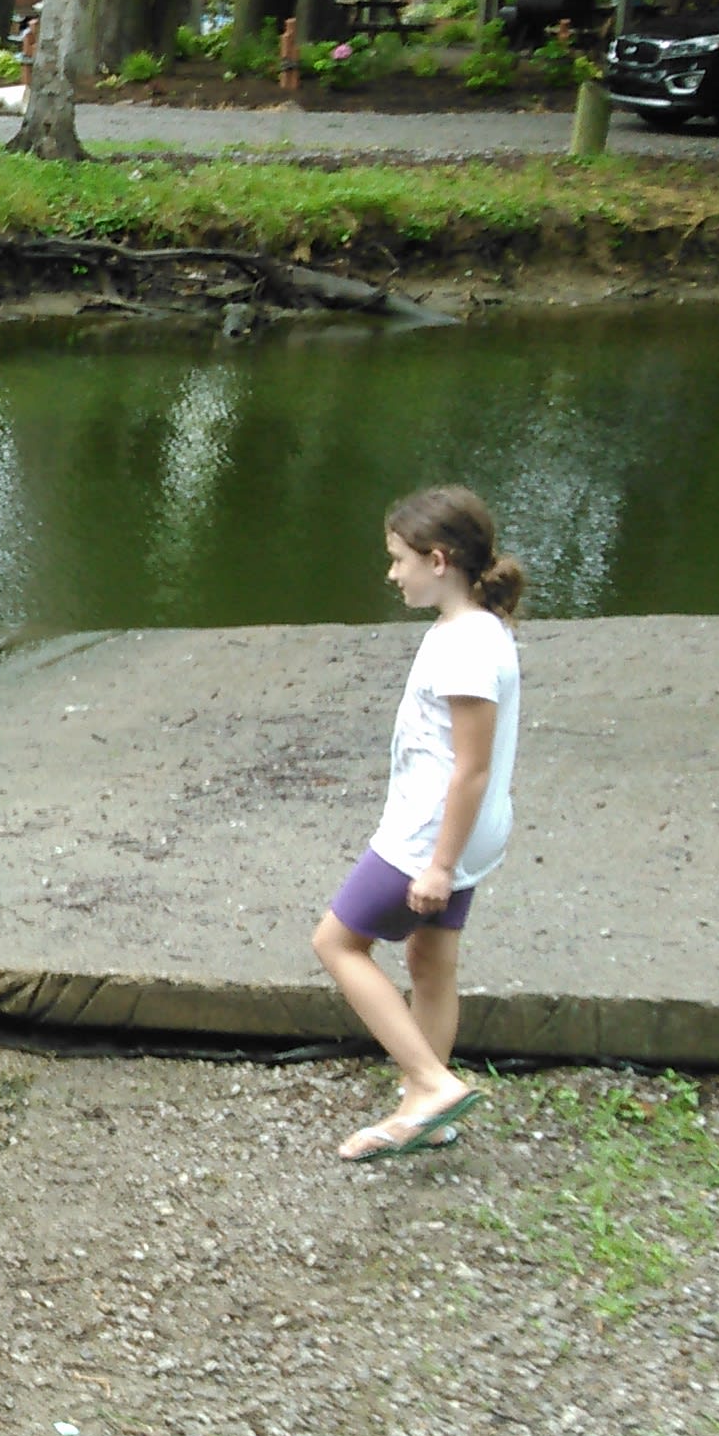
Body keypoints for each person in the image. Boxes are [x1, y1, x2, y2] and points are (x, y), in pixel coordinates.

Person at [308, 486, 525, 1162]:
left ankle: (430, 1083)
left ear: (438, 560)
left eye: (399, 559)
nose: (391, 573)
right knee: (431, 961)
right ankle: (423, 1113)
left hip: (430, 835)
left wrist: (438, 865)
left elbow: (471, 768)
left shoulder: (465, 646)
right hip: (466, 833)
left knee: (337, 944)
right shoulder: (480, 628)